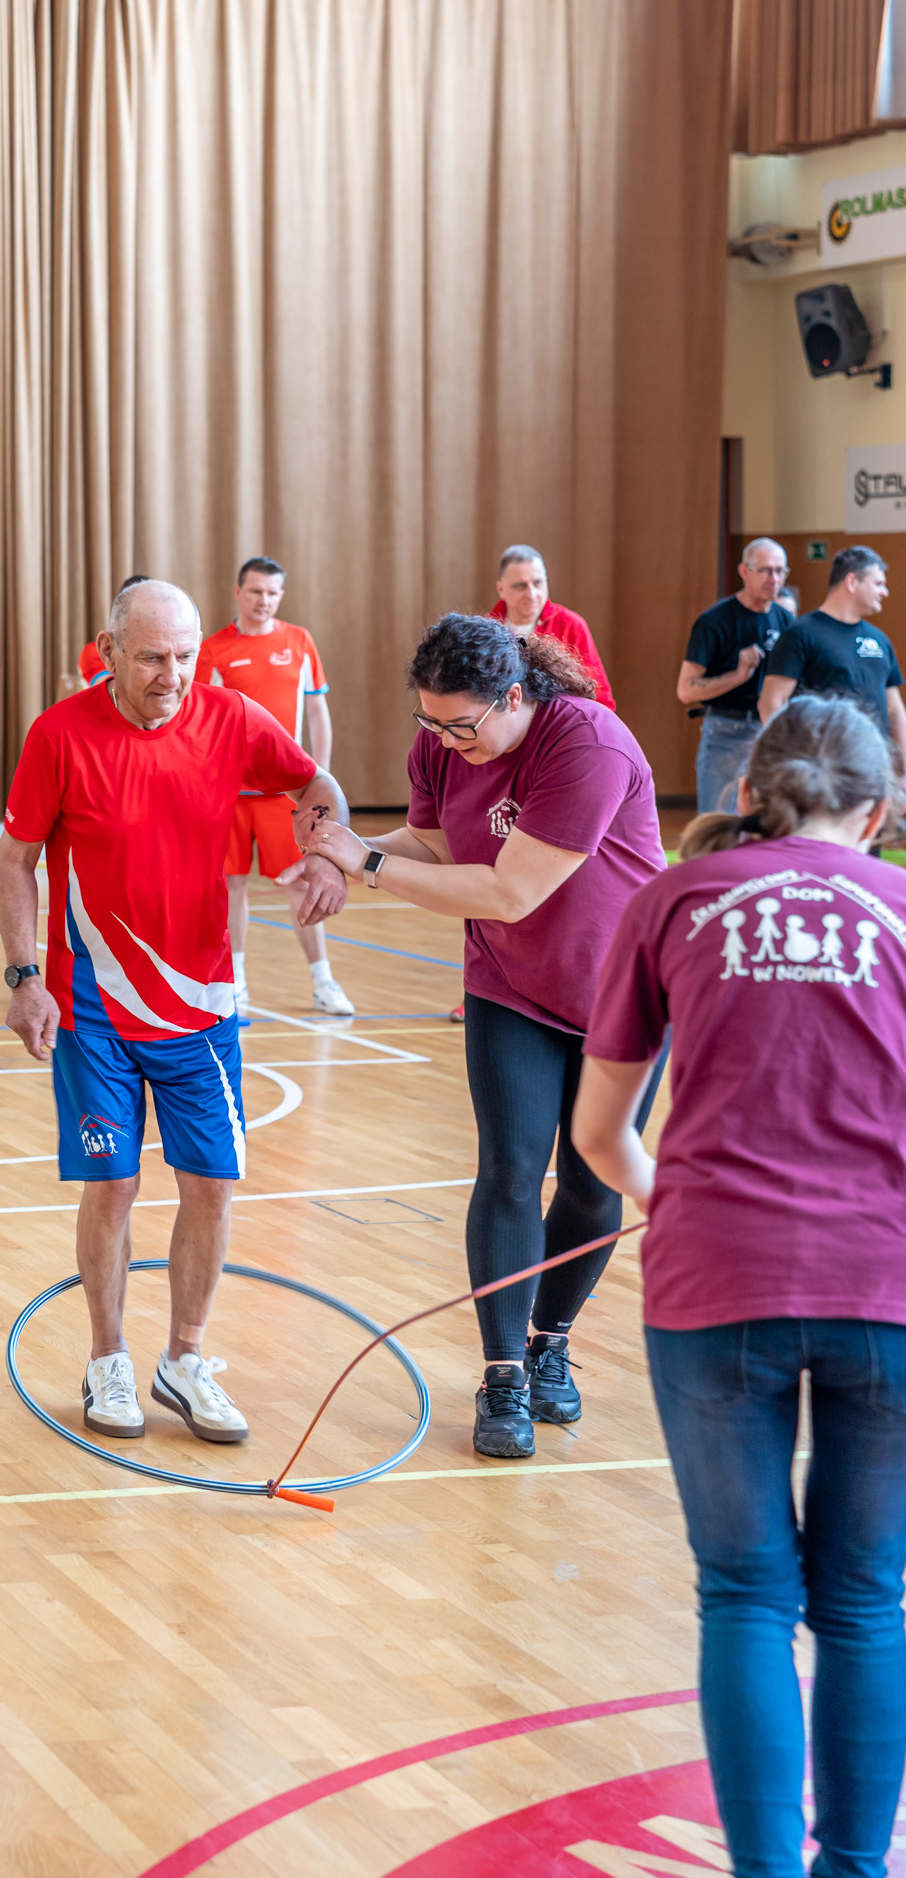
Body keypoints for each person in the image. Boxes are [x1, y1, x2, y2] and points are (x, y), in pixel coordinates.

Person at [573, 695, 906, 1878]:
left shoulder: (674, 899)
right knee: (864, 1599)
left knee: (747, 1595)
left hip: (714, 1281)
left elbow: (600, 1133)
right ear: (877, 813)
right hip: (886, 1287)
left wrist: (675, 1201)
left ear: (750, 790)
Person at [299, 612, 666, 1457]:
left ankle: (550, 1344)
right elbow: (434, 845)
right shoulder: (442, 743)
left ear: (514, 696)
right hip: (510, 984)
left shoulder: (587, 745)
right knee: (508, 1170)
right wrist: (337, 851)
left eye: (460, 725)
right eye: (429, 721)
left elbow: (509, 892)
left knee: (592, 1183)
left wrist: (367, 865)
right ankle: (503, 1376)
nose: (443, 740)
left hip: (623, 993)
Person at [0, 579, 350, 1443]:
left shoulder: (231, 719)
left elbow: (317, 783)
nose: (173, 674)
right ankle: (108, 1358)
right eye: (153, 657)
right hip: (93, 1008)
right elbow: (15, 860)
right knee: (114, 1184)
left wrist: (329, 855)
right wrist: (24, 976)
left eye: (185, 655)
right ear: (109, 652)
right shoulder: (59, 735)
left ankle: (185, 1359)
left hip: (203, 1006)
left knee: (213, 1184)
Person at [196, 555, 354, 1016]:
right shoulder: (214, 650)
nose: (263, 600)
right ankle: (236, 983)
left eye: (271, 592)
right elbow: (200, 722)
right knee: (231, 887)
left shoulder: (299, 642)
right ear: (238, 592)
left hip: (286, 794)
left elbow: (318, 712)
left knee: (302, 884)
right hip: (229, 793)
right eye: (255, 591)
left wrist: (320, 781)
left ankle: (322, 981)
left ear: (280, 595)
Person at [759, 546, 906, 776]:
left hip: (875, 765)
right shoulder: (800, 634)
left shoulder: (879, 639)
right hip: (824, 768)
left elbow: (895, 709)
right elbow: (771, 702)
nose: (884, 592)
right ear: (851, 582)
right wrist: (792, 757)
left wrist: (904, 766)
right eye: (878, 584)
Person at [678, 537, 794, 812]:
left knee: (771, 820)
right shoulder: (715, 621)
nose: (774, 579)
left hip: (772, 729)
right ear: (744, 571)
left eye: (780, 571)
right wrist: (738, 676)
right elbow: (686, 691)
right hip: (726, 731)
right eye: (766, 570)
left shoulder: (787, 622)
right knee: (719, 820)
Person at [486, 544, 615, 709]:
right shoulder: (484, 631)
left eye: (538, 583)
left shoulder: (571, 625)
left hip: (559, 721)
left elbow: (600, 698)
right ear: (501, 589)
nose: (531, 594)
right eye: (520, 586)